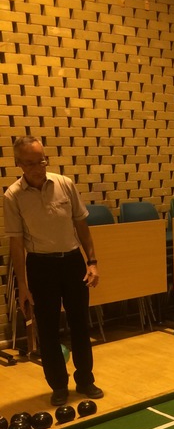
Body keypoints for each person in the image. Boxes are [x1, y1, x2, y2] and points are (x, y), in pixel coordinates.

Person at [3, 135, 104, 406]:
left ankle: (86, 380)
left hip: (71, 262)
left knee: (80, 323)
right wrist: (22, 286)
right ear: (19, 164)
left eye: (42, 161)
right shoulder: (12, 196)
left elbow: (81, 224)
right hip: (41, 266)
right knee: (47, 329)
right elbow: (16, 243)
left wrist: (92, 262)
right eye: (31, 163)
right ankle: (59, 386)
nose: (38, 167)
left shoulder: (65, 184)